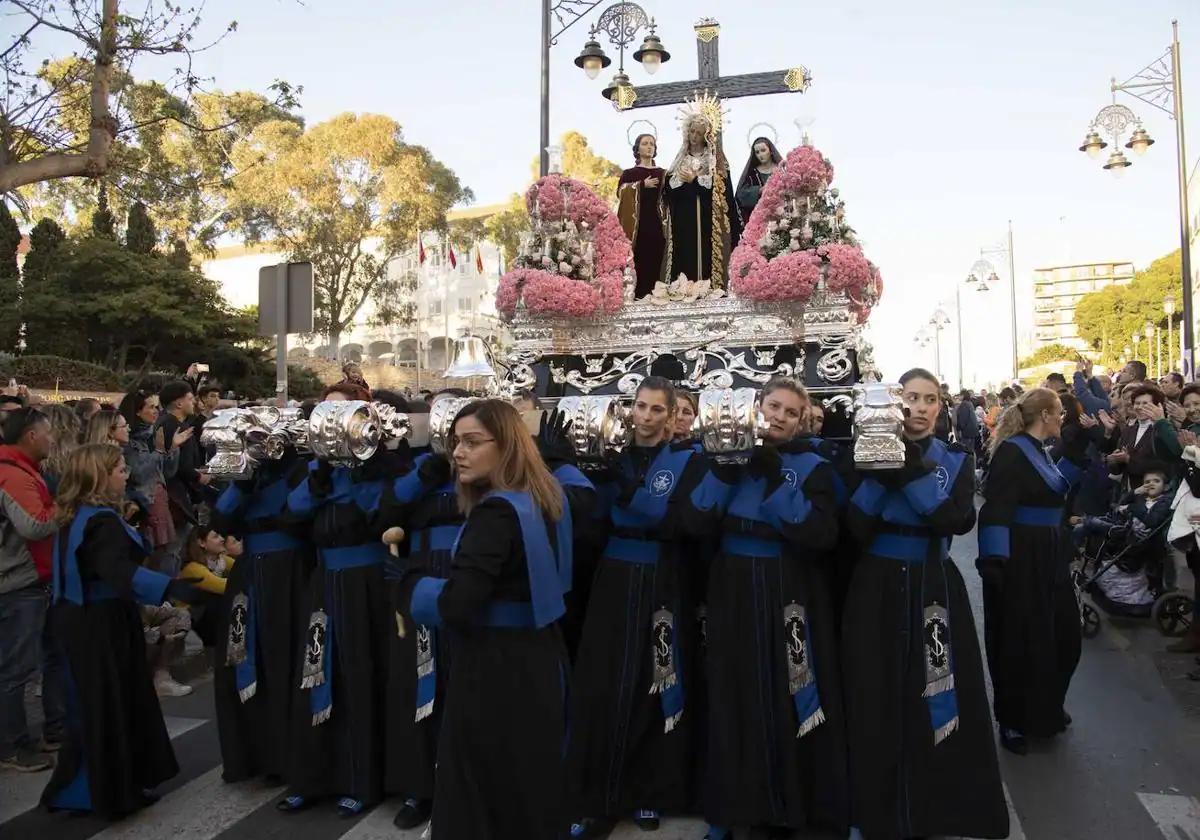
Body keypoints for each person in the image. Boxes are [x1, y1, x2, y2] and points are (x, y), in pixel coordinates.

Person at [394, 399, 573, 840]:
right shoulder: (543, 497)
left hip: (496, 669)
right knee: (525, 789)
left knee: (481, 792)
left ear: (507, 446)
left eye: (473, 442)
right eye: (457, 442)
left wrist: (409, 583)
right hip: (539, 658)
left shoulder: (494, 513)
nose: (458, 453)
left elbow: (458, 605)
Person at [843, 368, 1008, 840]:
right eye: (909, 398)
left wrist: (909, 470)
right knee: (871, 693)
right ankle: (869, 811)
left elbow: (952, 520)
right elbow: (855, 526)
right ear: (894, 405)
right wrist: (882, 469)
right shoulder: (863, 454)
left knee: (937, 691)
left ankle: (936, 806)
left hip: (933, 588)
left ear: (940, 407)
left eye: (928, 399)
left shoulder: (954, 458)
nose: (918, 407)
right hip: (874, 586)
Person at [686, 377, 847, 838]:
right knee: (731, 692)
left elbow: (820, 534)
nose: (779, 416)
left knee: (790, 690)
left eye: (790, 412)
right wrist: (725, 471)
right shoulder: (715, 456)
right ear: (757, 407)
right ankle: (730, 809)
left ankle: (788, 803)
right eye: (773, 406)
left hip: (787, 592)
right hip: (732, 589)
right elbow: (694, 522)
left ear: (800, 423)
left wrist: (775, 474)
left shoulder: (813, 466)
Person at [567, 376, 706, 834]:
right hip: (614, 574)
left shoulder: (688, 460)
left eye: (656, 410)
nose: (646, 417)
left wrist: (627, 490)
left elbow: (679, 522)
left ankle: (650, 789)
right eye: (641, 407)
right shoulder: (612, 453)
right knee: (605, 678)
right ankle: (596, 792)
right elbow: (591, 521)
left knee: (657, 676)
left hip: (662, 576)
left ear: (671, 416)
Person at [40, 444, 200, 818]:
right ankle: (111, 792)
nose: (125, 474)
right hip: (102, 620)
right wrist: (169, 589)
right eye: (119, 469)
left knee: (97, 701)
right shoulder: (101, 522)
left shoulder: (77, 515)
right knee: (112, 701)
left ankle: (100, 786)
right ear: (99, 475)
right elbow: (115, 570)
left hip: (79, 617)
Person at [276, 392, 411, 817]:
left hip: (368, 585)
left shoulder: (385, 463)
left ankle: (363, 778)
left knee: (363, 673)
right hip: (325, 581)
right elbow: (293, 510)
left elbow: (383, 515)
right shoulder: (314, 467)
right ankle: (313, 777)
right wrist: (318, 477)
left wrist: (357, 473)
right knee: (316, 672)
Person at [978, 387, 1089, 756]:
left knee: (1063, 635)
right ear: (1044, 414)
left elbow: (1054, 493)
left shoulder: (1040, 450)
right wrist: (995, 562)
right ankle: (1012, 718)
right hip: (1021, 556)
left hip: (1050, 552)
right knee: (1019, 641)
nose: (1064, 418)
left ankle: (1046, 707)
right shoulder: (1012, 452)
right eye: (1060, 412)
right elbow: (995, 510)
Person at [210, 440, 313, 784]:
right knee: (243, 656)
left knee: (286, 658)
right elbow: (221, 518)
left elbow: (296, 517)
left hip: (290, 572)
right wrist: (243, 479)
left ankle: (288, 755)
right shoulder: (247, 469)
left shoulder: (299, 467)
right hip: (249, 571)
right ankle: (254, 754)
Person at [0, 407, 63, 773]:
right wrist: (67, 503)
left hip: (28, 580)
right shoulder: (13, 475)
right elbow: (37, 525)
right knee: (14, 670)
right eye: (48, 433)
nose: (52, 439)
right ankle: (11, 746)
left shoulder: (23, 471)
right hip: (18, 584)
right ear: (31, 436)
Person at [664, 113, 742, 289]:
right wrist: (688, 182)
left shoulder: (714, 159)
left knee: (706, 252)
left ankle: (708, 287)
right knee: (684, 251)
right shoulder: (681, 159)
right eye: (692, 131)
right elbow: (669, 188)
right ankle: (683, 288)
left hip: (707, 217)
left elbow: (721, 188)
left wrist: (695, 181)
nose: (694, 136)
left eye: (699, 133)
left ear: (706, 135)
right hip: (684, 216)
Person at [617, 132, 668, 299]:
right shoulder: (629, 174)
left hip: (657, 224)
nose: (649, 147)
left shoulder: (663, 173)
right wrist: (641, 185)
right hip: (636, 227)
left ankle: (657, 297)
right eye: (645, 143)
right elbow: (621, 193)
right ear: (637, 149)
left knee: (656, 260)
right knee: (637, 261)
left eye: (652, 144)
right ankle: (636, 297)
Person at [734, 135, 783, 220]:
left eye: (763, 150)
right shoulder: (752, 173)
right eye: (757, 152)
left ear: (770, 151)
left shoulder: (781, 169)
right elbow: (741, 194)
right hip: (760, 218)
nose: (760, 155)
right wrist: (759, 190)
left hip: (782, 213)